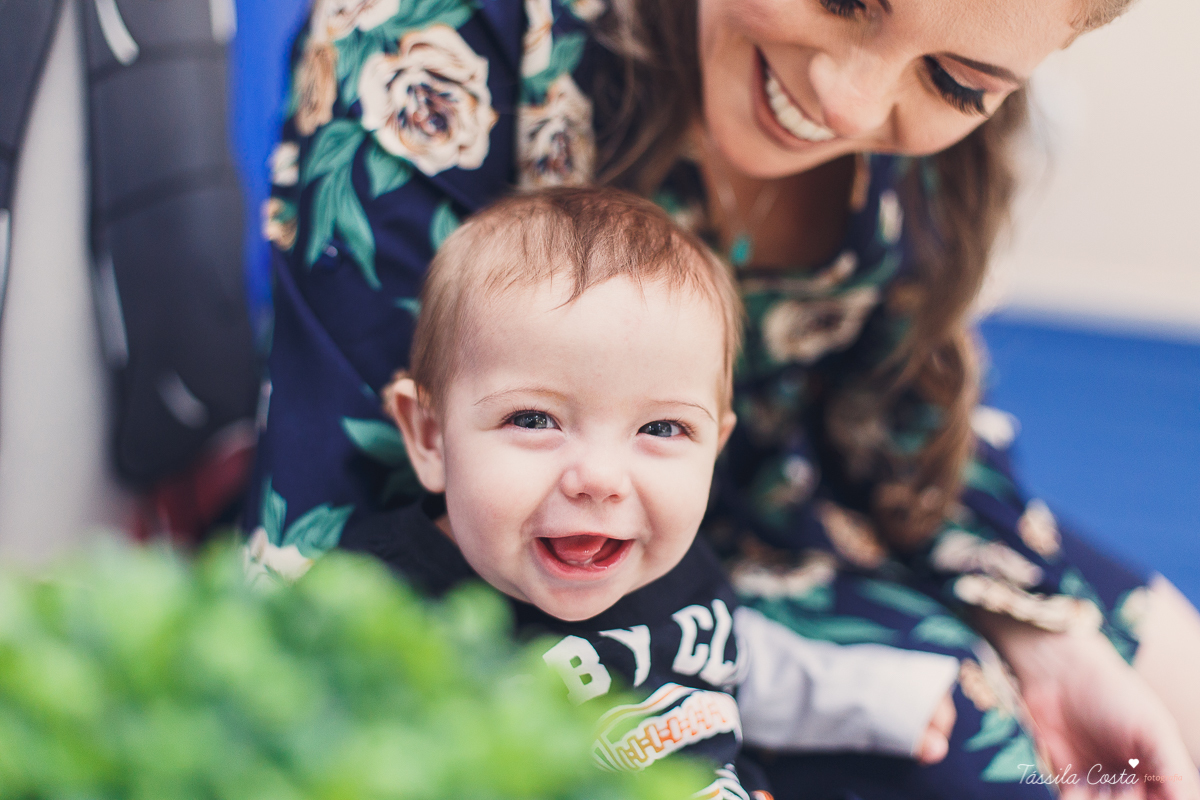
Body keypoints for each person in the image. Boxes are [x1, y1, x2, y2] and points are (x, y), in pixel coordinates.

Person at [246, 0, 1200, 797]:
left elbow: (901, 414)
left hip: (792, 500)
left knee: (1168, 703)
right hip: (524, 565)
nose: (848, 97)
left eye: (956, 83)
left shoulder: (954, 112)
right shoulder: (439, 36)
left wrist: (1038, 634)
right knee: (997, 759)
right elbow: (341, 531)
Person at [325, 187, 964, 796]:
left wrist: (871, 699)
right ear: (431, 438)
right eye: (533, 420)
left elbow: (731, 658)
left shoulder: (676, 570)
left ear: (714, 450)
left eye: (662, 428)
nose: (601, 480)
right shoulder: (386, 611)